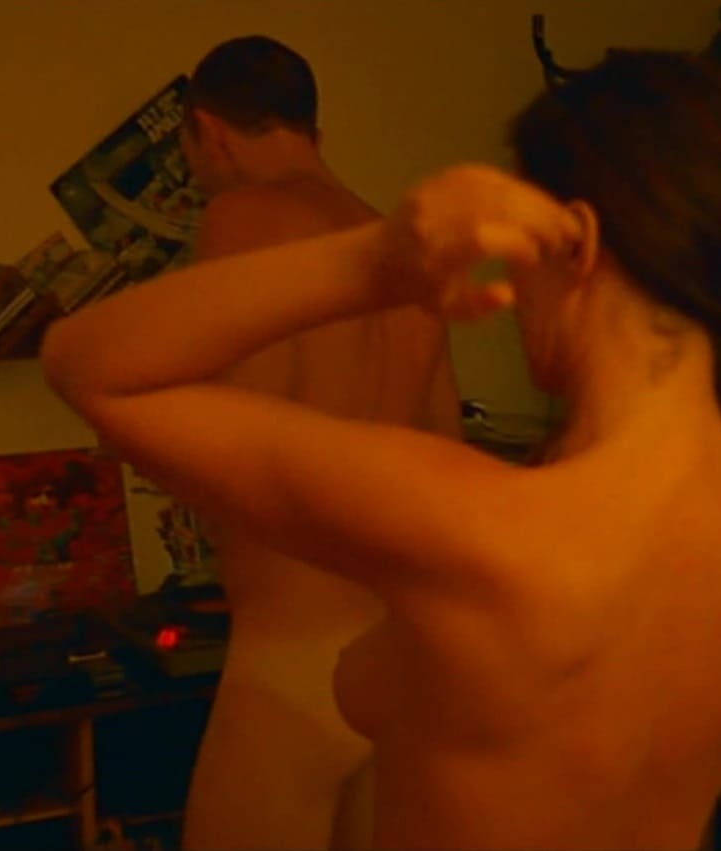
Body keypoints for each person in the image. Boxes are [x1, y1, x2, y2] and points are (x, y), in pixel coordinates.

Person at [43, 52, 721, 849]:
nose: (507, 289)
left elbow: (89, 366)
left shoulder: (473, 528)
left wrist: (375, 262)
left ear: (576, 243)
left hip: (293, 656)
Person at [169, 35, 464, 850]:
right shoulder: (395, 246)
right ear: (312, 132)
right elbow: (443, 444)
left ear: (208, 131)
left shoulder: (241, 217)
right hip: (388, 641)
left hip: (290, 647)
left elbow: (240, 425)